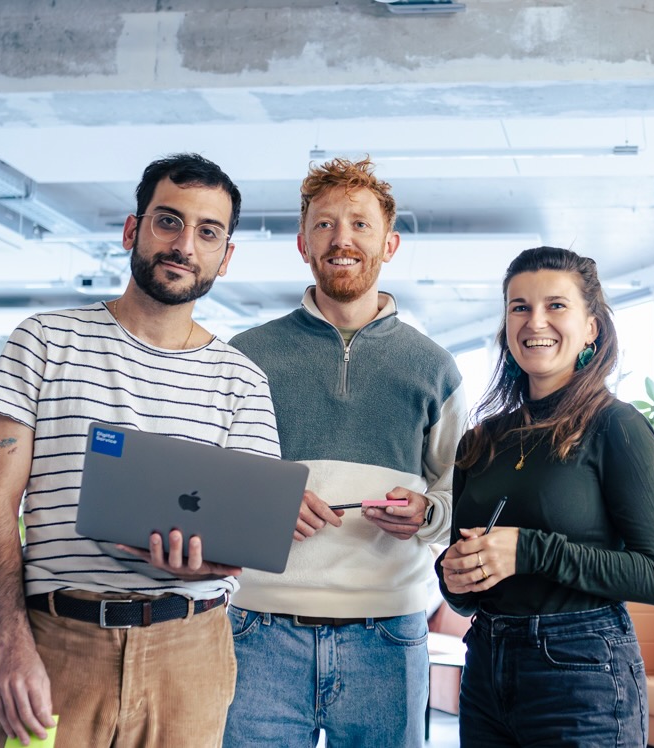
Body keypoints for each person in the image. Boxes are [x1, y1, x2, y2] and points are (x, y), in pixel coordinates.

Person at [0, 153, 281, 747]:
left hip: (190, 656)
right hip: (57, 645)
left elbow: (243, 538)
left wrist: (206, 561)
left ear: (225, 255)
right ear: (131, 229)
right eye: (168, 221)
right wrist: (11, 644)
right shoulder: (42, 342)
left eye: (207, 232)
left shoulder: (243, 380)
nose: (184, 244)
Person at [223, 156, 468, 747]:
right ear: (302, 242)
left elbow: (462, 492)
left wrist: (428, 513)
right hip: (256, 634)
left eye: (360, 224)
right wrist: (264, 502)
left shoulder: (434, 367)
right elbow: (208, 483)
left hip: (388, 637)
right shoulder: (245, 356)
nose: (343, 239)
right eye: (326, 224)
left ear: (390, 243)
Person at [435, 246, 654, 747]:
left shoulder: (618, 428)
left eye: (556, 305)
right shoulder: (481, 441)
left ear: (591, 327)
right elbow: (465, 591)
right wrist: (454, 575)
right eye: (519, 306)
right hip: (485, 664)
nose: (534, 321)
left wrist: (529, 550)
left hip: (582, 672)